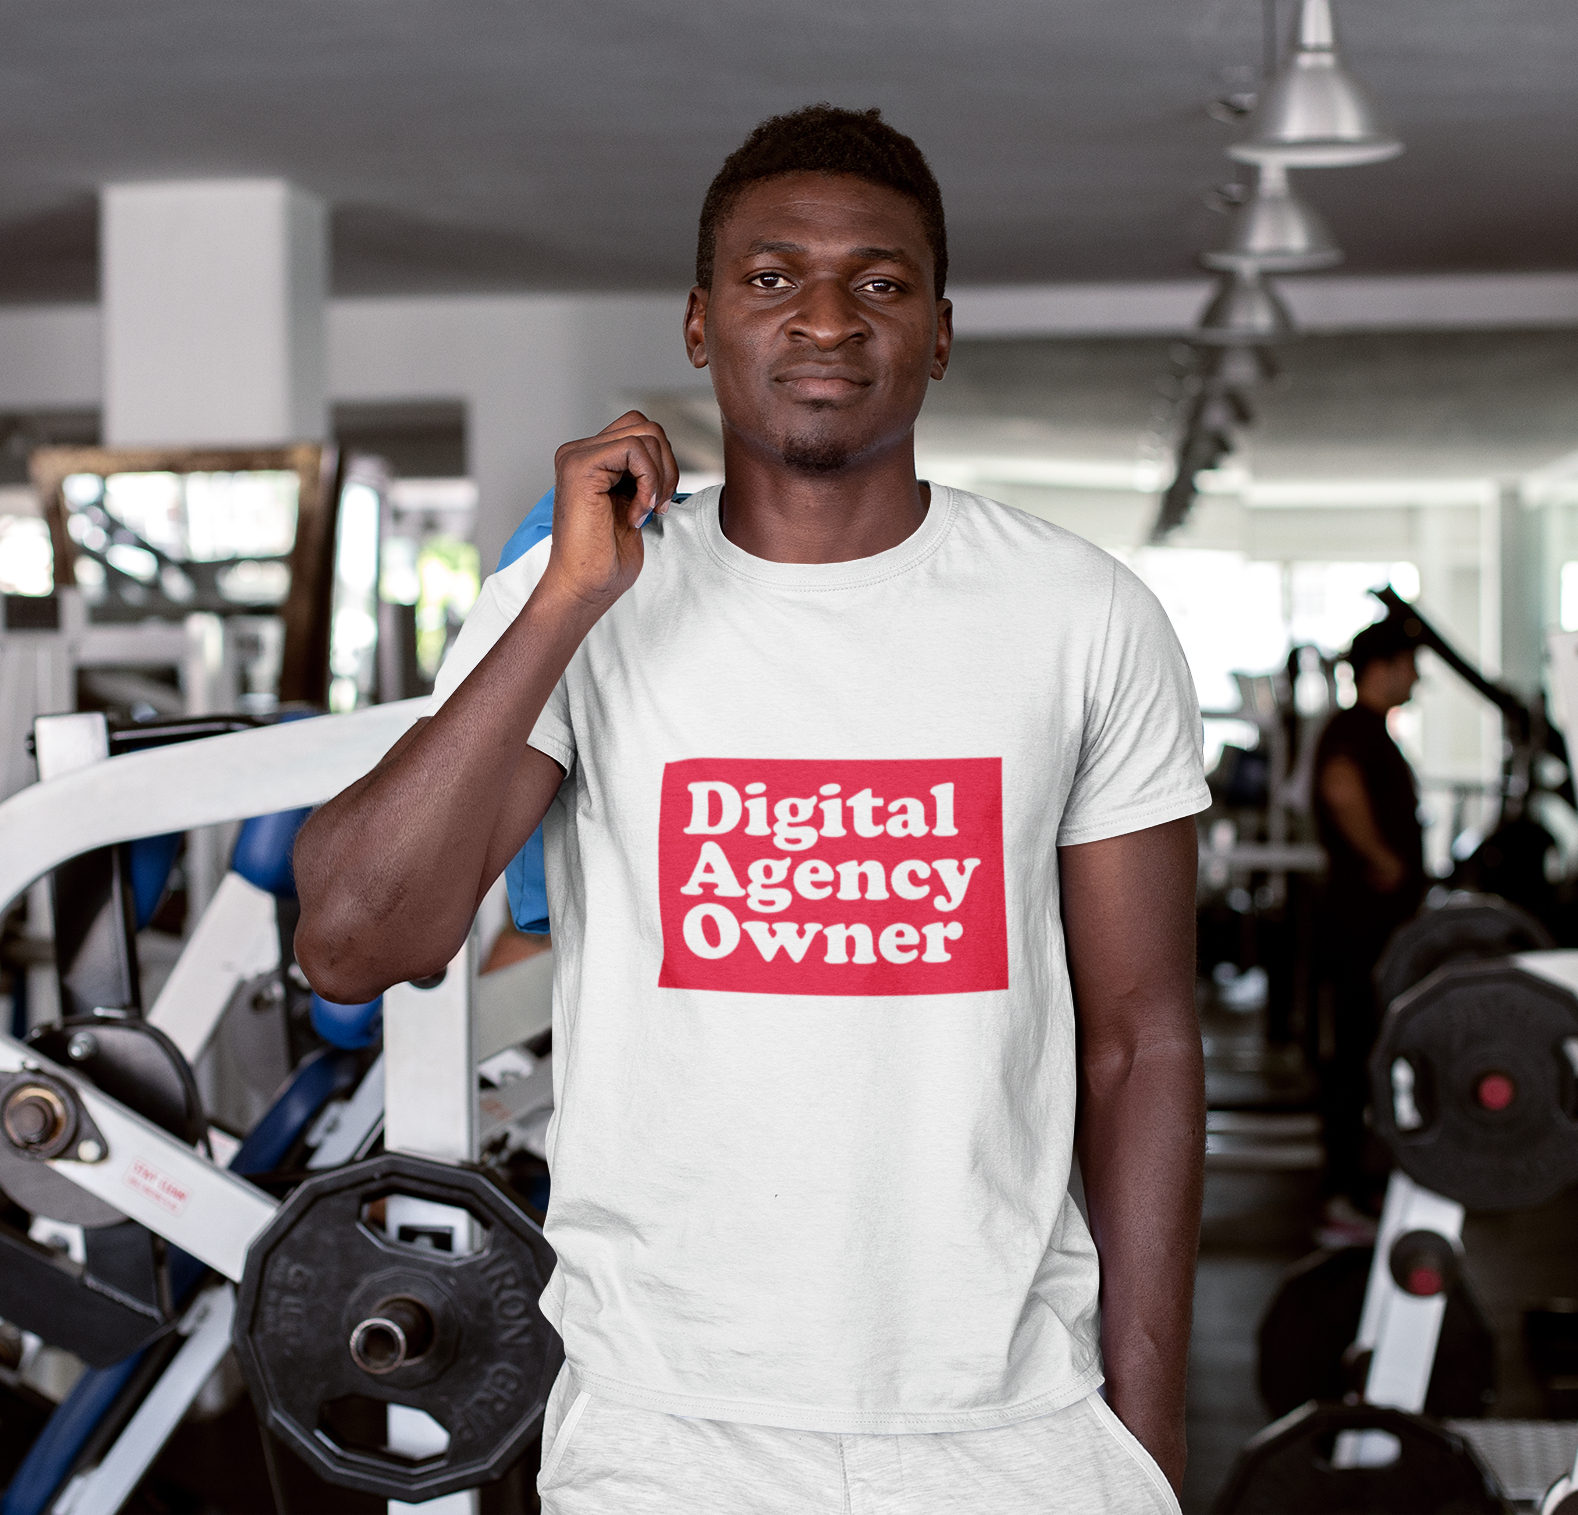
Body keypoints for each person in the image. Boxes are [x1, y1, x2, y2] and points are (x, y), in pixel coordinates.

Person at [294, 105, 1210, 1514]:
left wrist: (1145, 1442)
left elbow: (1143, 1039)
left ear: (942, 330)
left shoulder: (1083, 615)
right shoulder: (586, 603)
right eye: (773, 277)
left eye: (881, 281)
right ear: (701, 325)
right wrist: (564, 601)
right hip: (668, 1428)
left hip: (1010, 1425)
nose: (828, 318)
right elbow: (354, 940)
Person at [1311, 616, 1426, 1242]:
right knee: (1351, 1059)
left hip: (1376, 929)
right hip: (1358, 928)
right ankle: (1340, 1198)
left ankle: (1359, 1188)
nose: (1416, 678)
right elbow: (1339, 788)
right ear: (1382, 668)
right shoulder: (1353, 729)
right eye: (1410, 665)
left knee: (1367, 1055)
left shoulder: (1370, 730)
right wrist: (1382, 859)